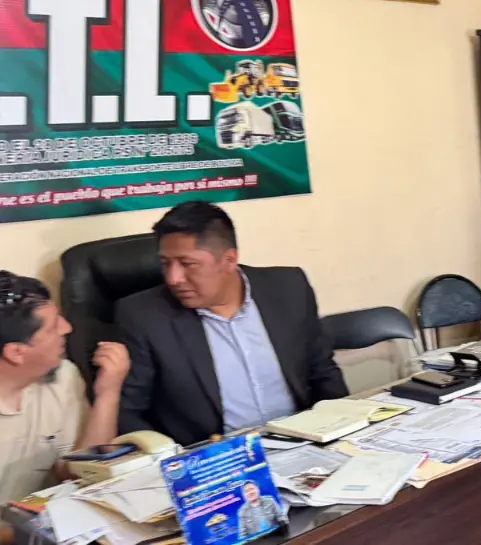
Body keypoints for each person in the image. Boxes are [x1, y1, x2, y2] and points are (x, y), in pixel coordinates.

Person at [116, 201, 348, 446]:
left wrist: (344, 432)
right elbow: (127, 412)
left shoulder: (288, 288)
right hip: (217, 457)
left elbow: (322, 371)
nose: (173, 278)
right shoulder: (144, 316)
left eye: (187, 264)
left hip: (303, 439)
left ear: (229, 260)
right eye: (165, 263)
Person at [0, 272, 130, 545]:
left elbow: (80, 471)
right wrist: (36, 531)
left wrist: (108, 394)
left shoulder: (62, 377)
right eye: (52, 328)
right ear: (16, 352)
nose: (67, 328)